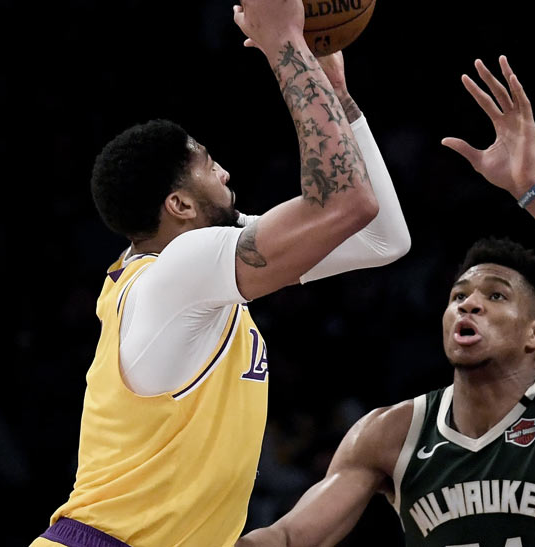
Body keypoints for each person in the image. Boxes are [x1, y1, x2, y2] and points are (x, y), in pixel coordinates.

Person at [236, 56, 535, 547]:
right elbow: (291, 536)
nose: (469, 305)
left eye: (495, 295)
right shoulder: (392, 432)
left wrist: (532, 189)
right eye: (459, 296)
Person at [31, 0, 411, 544]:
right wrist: (285, 47)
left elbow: (381, 239)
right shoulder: (180, 271)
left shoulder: (191, 271)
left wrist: (338, 96)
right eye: (209, 164)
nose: (226, 172)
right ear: (179, 205)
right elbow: (347, 203)